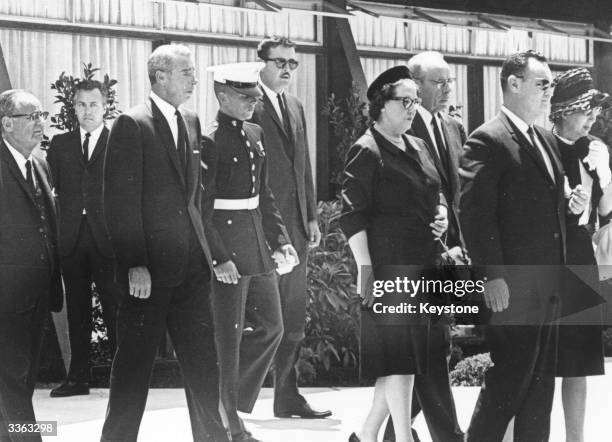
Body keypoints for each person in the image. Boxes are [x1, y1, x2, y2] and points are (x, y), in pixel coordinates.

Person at [101, 44, 228, 442]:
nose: (194, 79)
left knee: (204, 366)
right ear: (160, 77)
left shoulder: (191, 121)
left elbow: (195, 200)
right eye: (186, 73)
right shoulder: (131, 124)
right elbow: (119, 203)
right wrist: (135, 262)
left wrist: (212, 255)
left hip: (190, 270)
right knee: (134, 369)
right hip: (148, 274)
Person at [460, 50, 569, 441]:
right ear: (513, 83)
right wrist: (492, 277)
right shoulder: (487, 139)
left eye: (551, 85)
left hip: (548, 285)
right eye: (542, 84)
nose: (549, 93)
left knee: (540, 389)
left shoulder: (543, 138)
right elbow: (474, 215)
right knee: (508, 382)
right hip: (512, 289)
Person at [340, 66, 448, 442]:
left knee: (403, 361)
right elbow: (352, 215)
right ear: (381, 105)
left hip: (424, 266)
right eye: (405, 101)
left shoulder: (417, 145)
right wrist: (365, 269)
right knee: (401, 361)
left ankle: (366, 435)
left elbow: (437, 194)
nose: (412, 109)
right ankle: (402, 438)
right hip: (390, 269)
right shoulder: (367, 150)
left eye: (416, 101)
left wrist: (441, 217)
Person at [204, 61, 299, 442]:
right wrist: (218, 256)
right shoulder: (209, 139)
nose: (252, 103)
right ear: (222, 96)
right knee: (227, 339)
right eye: (245, 97)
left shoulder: (255, 132)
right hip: (227, 248)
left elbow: (265, 196)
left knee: (272, 327)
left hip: (255, 241)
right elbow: (201, 205)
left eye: (255, 97)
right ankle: (230, 423)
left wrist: (281, 240)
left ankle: (224, 402)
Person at [384, 51, 464, 442]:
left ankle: (384, 435)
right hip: (414, 255)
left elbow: (453, 189)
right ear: (415, 85)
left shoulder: (452, 127)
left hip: (447, 253)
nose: (447, 89)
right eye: (438, 82)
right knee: (435, 347)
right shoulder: (401, 130)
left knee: (434, 348)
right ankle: (449, 434)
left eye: (449, 81)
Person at [250, 36, 330, 419]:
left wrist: (311, 216)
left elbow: (304, 165)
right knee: (262, 318)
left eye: (292, 63)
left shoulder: (295, 106)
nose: (286, 69)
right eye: (279, 61)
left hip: (296, 228)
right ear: (261, 63)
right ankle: (234, 398)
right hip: (262, 230)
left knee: (294, 316)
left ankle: (287, 394)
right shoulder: (249, 103)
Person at [549, 67, 611, 442]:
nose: (593, 117)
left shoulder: (597, 150)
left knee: (579, 362)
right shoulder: (540, 144)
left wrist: (605, 180)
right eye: (585, 109)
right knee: (533, 365)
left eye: (595, 110)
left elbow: (608, 217)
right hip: (544, 257)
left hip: (580, 257)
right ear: (562, 111)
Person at [47, 80, 118, 398]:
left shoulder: (119, 141)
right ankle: (78, 379)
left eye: (93, 104)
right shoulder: (60, 145)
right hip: (72, 239)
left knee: (115, 308)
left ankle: (121, 377)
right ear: (72, 107)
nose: (87, 111)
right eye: (81, 105)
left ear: (104, 107)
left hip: (108, 240)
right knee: (77, 309)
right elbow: (55, 191)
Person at [0, 89, 63, 442]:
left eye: (42, 115)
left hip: (37, 294)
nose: (41, 123)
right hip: (5, 296)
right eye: (31, 117)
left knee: (22, 380)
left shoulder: (39, 163)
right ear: (6, 124)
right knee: (10, 376)